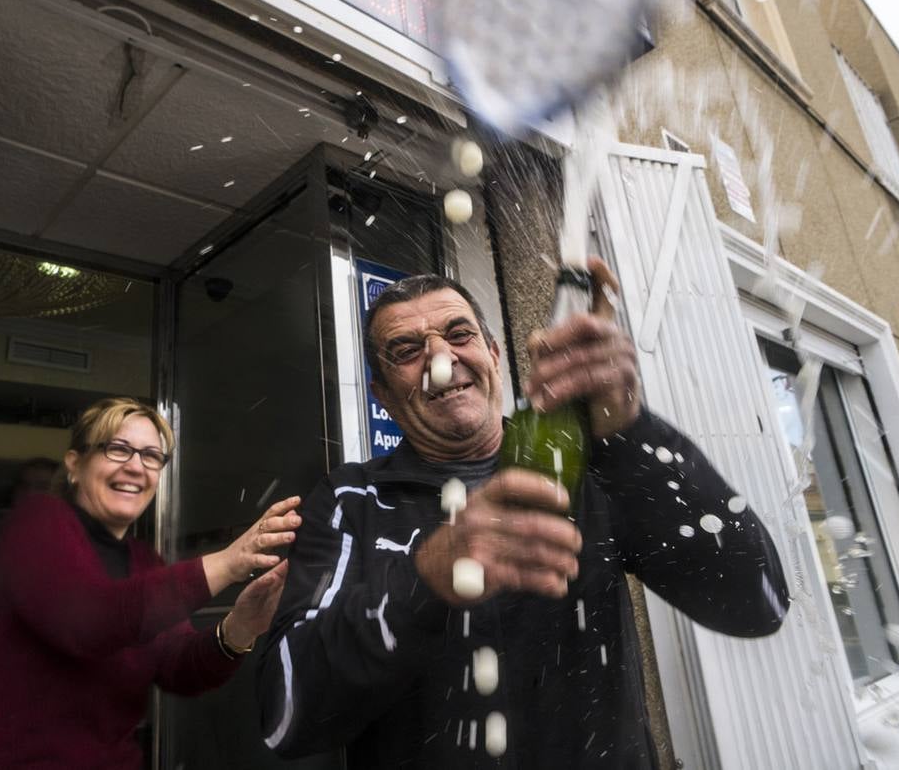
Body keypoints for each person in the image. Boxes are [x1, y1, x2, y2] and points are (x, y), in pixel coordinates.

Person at [256, 261, 789, 768]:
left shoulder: (589, 468)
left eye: (459, 334)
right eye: (407, 350)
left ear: (493, 354)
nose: (441, 359)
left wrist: (629, 430)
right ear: (384, 397)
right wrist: (426, 578)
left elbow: (756, 600)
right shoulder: (352, 500)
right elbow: (287, 714)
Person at [0, 396, 300, 768]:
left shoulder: (144, 562)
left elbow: (179, 668)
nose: (136, 466)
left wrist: (240, 627)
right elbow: (87, 621)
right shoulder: (37, 522)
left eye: (151, 456)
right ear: (75, 465)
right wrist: (227, 562)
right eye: (118, 449)